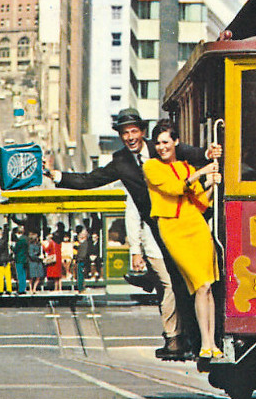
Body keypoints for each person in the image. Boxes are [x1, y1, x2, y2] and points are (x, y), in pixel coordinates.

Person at [46, 107, 221, 360]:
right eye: (124, 133)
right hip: (159, 227)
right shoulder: (121, 161)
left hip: (190, 221)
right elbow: (90, 180)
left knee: (191, 282)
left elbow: (189, 152)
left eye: (134, 131)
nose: (130, 137)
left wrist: (206, 153)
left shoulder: (161, 145)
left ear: (142, 132)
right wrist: (57, 176)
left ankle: (195, 340)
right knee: (171, 281)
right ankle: (179, 338)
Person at [143, 119, 222, 361]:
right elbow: (175, 189)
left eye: (165, 142)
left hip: (195, 225)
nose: (161, 147)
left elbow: (201, 203)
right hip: (173, 229)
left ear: (176, 142)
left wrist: (212, 184)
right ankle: (205, 342)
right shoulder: (151, 167)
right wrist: (203, 172)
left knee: (207, 285)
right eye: (157, 143)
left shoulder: (187, 167)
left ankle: (211, 343)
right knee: (198, 283)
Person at [0, 227, 12, 294]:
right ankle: (9, 289)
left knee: (0, 276)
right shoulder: (5, 241)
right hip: (6, 260)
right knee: (7, 276)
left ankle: (0, 290)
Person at [13, 227, 29, 294]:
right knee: (24, 274)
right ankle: (24, 288)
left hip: (19, 259)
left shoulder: (19, 240)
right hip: (25, 259)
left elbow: (15, 250)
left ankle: (21, 289)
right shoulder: (26, 239)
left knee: (19, 274)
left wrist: (12, 247)